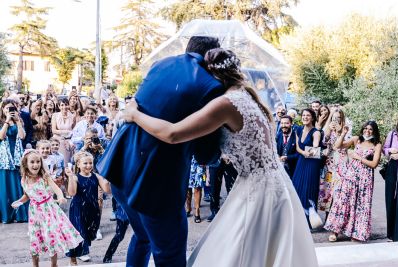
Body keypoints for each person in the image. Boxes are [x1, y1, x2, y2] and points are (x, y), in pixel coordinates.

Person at [122, 48, 318, 266]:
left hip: (257, 189)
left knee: (238, 251)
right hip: (276, 184)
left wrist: (135, 114)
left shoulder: (226, 104)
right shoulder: (249, 97)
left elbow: (173, 133)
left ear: (213, 76)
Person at [97, 36, 224, 267]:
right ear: (210, 56)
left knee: (142, 236)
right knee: (170, 255)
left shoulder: (161, 64)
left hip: (120, 168)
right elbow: (205, 154)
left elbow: (141, 104)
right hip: (156, 181)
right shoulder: (211, 86)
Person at [11, 150, 83, 267]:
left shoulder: (44, 177)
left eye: (38, 161)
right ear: (26, 164)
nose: (36, 164)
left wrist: (61, 197)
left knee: (51, 237)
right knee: (35, 239)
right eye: (32, 162)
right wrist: (19, 201)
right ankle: (35, 265)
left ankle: (54, 265)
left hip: (49, 210)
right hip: (35, 212)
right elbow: (27, 195)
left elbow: (57, 189)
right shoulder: (23, 179)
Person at [325, 121, 381, 242]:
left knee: (361, 205)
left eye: (370, 129)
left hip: (365, 179)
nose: (367, 131)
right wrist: (343, 133)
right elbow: (337, 146)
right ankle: (335, 231)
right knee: (343, 201)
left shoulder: (377, 145)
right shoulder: (357, 139)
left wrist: (358, 157)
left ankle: (356, 232)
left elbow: (374, 164)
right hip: (350, 175)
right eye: (365, 128)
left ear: (374, 131)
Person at [66, 151, 110, 265]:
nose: (89, 165)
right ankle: (74, 258)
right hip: (78, 209)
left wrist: (108, 177)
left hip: (92, 209)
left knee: (90, 234)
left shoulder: (96, 176)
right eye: (85, 163)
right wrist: (70, 177)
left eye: (90, 163)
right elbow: (72, 192)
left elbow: (107, 190)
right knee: (79, 234)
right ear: (78, 164)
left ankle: (81, 252)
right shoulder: (75, 178)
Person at [291, 108, 322, 226]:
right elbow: (298, 147)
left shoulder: (316, 132)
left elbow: (315, 147)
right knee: (297, 186)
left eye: (308, 115)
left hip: (312, 163)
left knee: (308, 189)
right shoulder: (298, 130)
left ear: (312, 118)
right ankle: (298, 219)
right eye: (303, 115)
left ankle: (310, 220)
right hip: (301, 160)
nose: (305, 117)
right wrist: (303, 152)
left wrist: (309, 152)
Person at [0, 99, 28, 223]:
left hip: (17, 157)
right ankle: (6, 215)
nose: (9, 110)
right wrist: (7, 120)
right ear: (2, 110)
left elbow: (22, 136)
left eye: (11, 108)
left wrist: (17, 122)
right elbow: (1, 136)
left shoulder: (19, 121)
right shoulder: (1, 122)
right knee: (5, 187)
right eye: (7, 108)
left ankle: (20, 215)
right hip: (4, 158)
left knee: (17, 185)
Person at [318, 109, 350, 216]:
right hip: (330, 164)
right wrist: (329, 130)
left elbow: (343, 145)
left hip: (341, 163)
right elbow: (323, 142)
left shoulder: (346, 130)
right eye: (333, 118)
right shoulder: (328, 129)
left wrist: (340, 132)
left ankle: (338, 217)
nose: (335, 120)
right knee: (328, 189)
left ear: (342, 119)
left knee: (339, 190)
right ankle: (328, 217)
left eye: (338, 118)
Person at [383, 116, 398, 241]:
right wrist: (389, 150)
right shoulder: (392, 134)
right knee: (390, 199)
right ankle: (391, 233)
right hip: (392, 168)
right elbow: (384, 149)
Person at [207, 156, 237, 222]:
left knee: (232, 188)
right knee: (214, 188)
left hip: (230, 161)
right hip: (215, 161)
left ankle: (233, 210)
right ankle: (214, 211)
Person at [51, 98, 76, 164]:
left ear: (68, 105)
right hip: (57, 139)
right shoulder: (55, 115)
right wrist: (66, 132)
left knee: (69, 161)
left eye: (66, 105)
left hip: (68, 140)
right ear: (59, 106)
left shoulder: (72, 116)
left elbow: (74, 130)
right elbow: (53, 130)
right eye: (62, 105)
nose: (64, 107)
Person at [186, 157, 206, 223]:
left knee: (198, 187)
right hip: (186, 161)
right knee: (187, 187)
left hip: (199, 161)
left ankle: (197, 211)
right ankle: (188, 207)